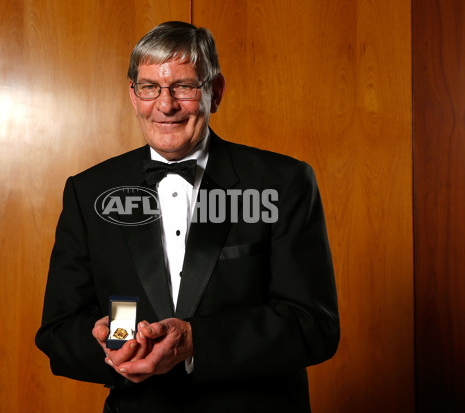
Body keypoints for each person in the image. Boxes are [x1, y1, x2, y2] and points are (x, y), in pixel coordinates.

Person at [36, 21, 339, 413]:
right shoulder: (88, 190)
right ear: (133, 95)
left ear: (215, 92)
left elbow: (314, 325)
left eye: (184, 86)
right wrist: (107, 344)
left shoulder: (283, 183)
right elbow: (59, 332)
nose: (165, 105)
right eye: (149, 87)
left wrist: (195, 342)